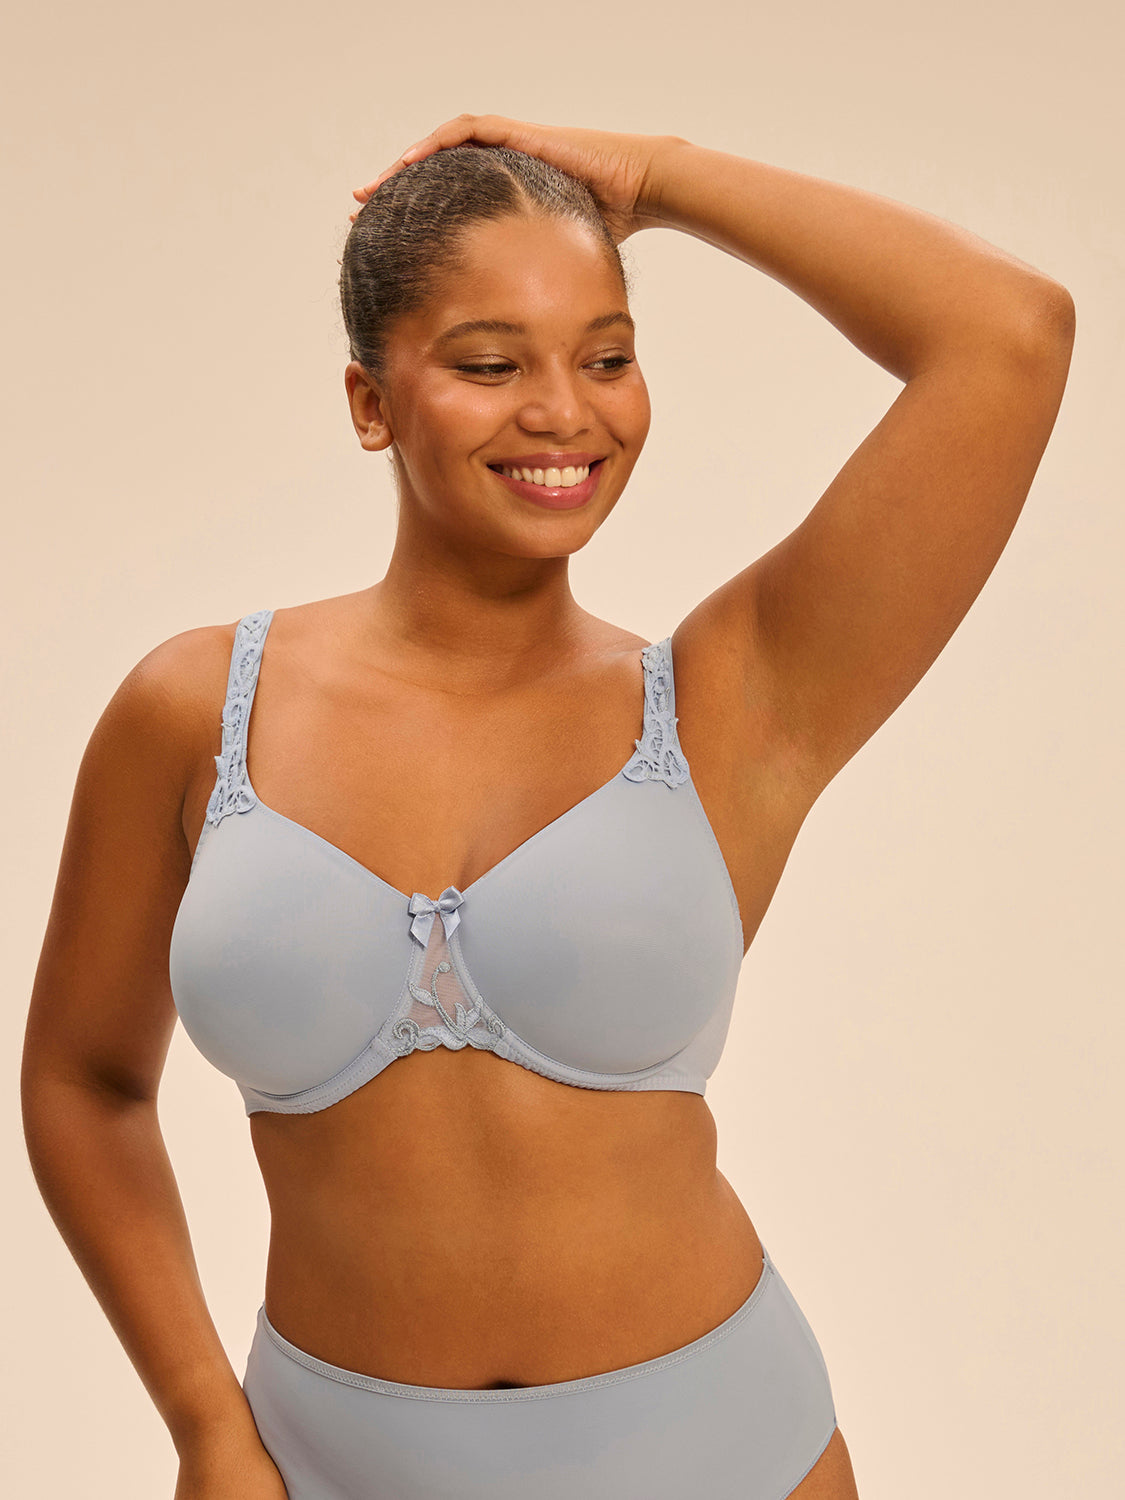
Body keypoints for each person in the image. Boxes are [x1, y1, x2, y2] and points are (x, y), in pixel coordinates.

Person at [21, 114, 1073, 1500]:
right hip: (332, 1464)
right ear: (370, 403)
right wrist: (206, 1424)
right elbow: (83, 1083)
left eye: (608, 356)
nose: (565, 412)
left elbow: (1009, 332)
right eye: (490, 363)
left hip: (723, 1454)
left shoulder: (733, 704)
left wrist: (658, 178)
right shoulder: (197, 712)